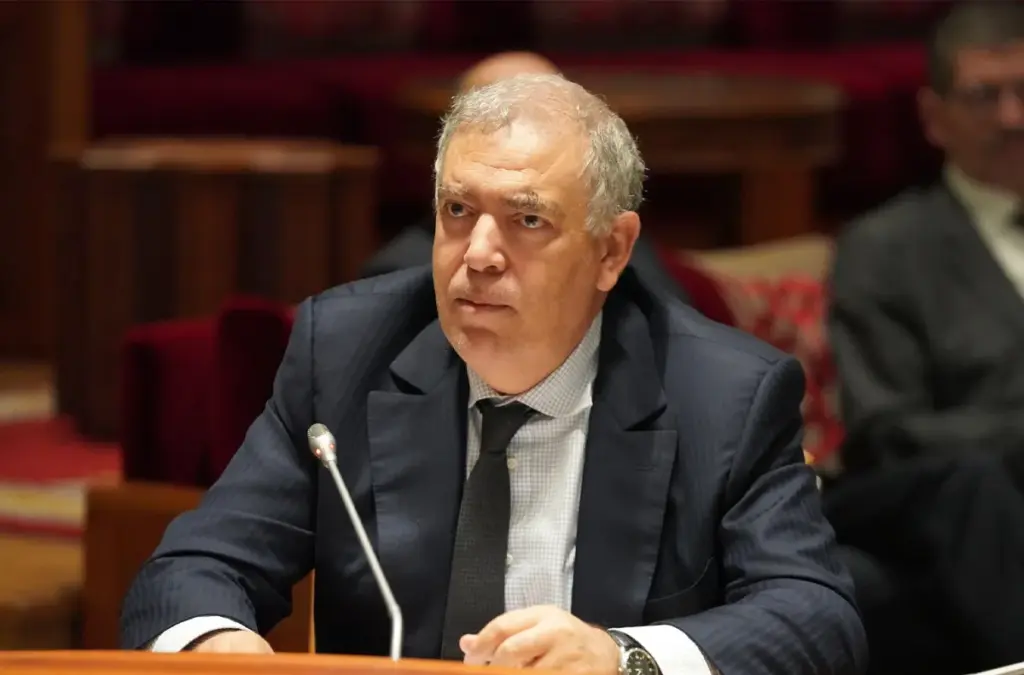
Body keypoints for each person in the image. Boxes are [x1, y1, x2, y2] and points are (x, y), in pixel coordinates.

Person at [121, 73, 866, 675]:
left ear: (612, 251)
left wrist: (623, 657)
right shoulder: (346, 352)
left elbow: (816, 619)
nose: (477, 253)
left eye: (527, 219)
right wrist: (215, 643)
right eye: (457, 210)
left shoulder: (722, 395)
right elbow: (195, 566)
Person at [827, 3, 1024, 673]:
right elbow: (888, 431)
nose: (1012, 117)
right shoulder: (884, 248)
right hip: (943, 495)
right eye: (984, 96)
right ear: (934, 117)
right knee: (971, 483)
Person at [362, 51, 693, 306]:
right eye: (492, 116)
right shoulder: (398, 280)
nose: (480, 255)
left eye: (530, 219)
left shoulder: (620, 251)